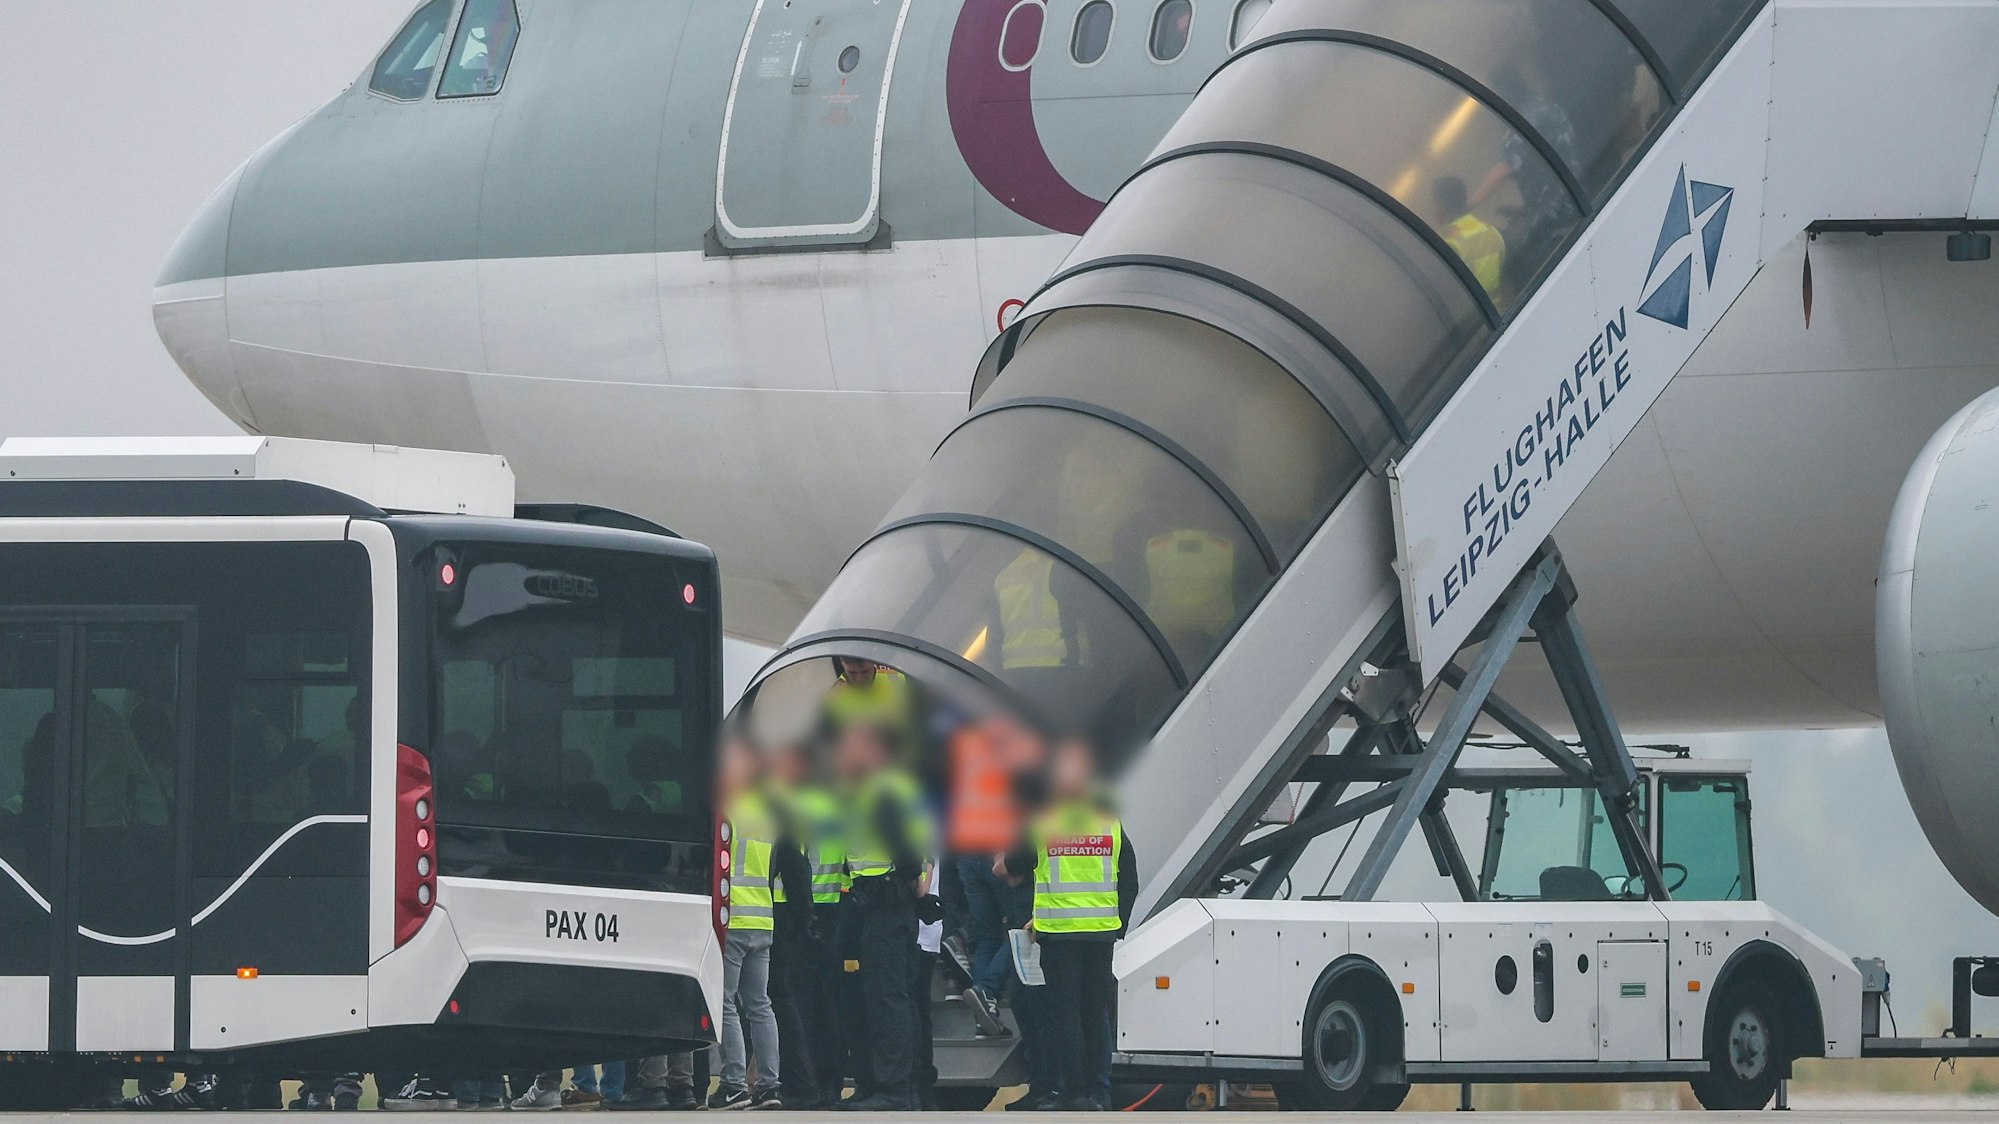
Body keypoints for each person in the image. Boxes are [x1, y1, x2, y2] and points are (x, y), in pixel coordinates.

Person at [999, 739, 1136, 1111]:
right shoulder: (1110, 822)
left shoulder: (1043, 822)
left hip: (1059, 935)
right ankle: (1100, 1093)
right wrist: (1116, 924)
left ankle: (1074, 1093)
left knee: (1066, 1015)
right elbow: (1130, 880)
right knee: (1096, 1015)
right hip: (1101, 935)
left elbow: (1009, 866)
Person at [834, 721, 931, 1112]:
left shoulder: (881, 791)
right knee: (875, 997)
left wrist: (912, 883)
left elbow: (906, 852)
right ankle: (880, 1085)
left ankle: (894, 1090)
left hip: (887, 903)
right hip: (873, 903)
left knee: (888, 998)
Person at [714, 733, 783, 1110]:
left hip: (734, 918)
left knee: (726, 1002)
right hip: (764, 918)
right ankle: (770, 1086)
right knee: (760, 1003)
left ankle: (735, 1084)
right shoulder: (767, 812)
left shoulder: (727, 810)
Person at [1435, 176, 1506, 301]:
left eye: (1433, 204)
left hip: (1478, 318)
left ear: (1441, 206)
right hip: (1504, 308)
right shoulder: (1493, 232)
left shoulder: (1448, 248)